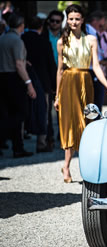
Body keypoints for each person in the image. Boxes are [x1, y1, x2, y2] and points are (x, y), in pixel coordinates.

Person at [54, 4, 107, 183]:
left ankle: (88, 167)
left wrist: (106, 83)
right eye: (71, 18)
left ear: (82, 20)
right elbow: (60, 70)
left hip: (86, 82)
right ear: (67, 20)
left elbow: (95, 65)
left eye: (77, 19)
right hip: (68, 83)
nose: (73, 22)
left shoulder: (91, 40)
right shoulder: (61, 42)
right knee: (70, 124)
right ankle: (66, 166)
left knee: (88, 122)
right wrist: (57, 96)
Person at [0, 12, 37, 158]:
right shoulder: (17, 41)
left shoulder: (2, 39)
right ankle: (6, 137)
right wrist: (29, 84)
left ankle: (18, 147)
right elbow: (18, 64)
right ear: (22, 25)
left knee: (7, 113)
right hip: (14, 79)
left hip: (2, 78)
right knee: (21, 113)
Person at [22, 16, 55, 153]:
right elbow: (50, 64)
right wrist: (54, 85)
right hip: (43, 81)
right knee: (44, 112)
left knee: (23, 112)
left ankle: (19, 143)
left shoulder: (22, 39)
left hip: (23, 79)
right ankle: (41, 143)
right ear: (41, 27)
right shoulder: (44, 42)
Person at [42, 10, 64, 148]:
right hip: (47, 76)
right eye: (52, 21)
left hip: (62, 75)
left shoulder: (65, 36)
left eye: (57, 21)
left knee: (63, 108)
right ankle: (49, 135)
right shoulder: (43, 36)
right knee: (48, 109)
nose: (54, 23)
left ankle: (62, 135)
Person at [85, 10, 107, 111]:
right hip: (89, 70)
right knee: (93, 103)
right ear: (94, 21)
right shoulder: (88, 33)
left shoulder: (96, 33)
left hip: (96, 68)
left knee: (97, 102)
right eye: (101, 24)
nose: (103, 27)